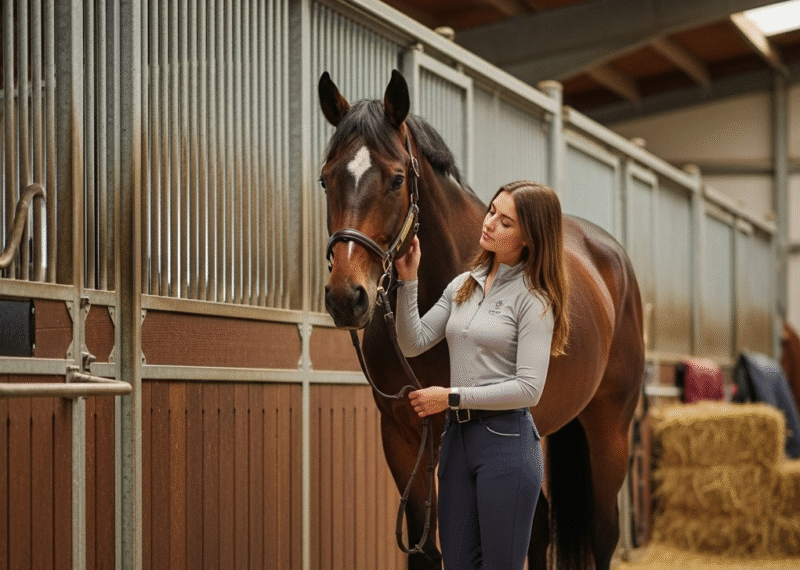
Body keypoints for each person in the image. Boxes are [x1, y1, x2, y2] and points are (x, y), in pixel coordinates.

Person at [394, 180, 570, 570]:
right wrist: (408, 280)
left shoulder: (534, 299)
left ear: (528, 238)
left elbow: (529, 389)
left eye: (505, 222)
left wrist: (450, 397)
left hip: (506, 443)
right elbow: (413, 342)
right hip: (457, 442)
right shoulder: (463, 286)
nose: (489, 223)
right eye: (492, 211)